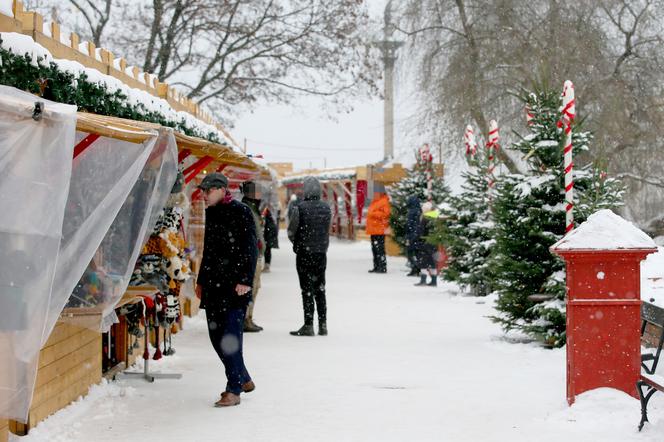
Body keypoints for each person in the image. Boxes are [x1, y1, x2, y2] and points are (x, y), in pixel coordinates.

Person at [195, 173, 257, 407]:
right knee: (215, 336)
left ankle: (233, 389)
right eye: (202, 192)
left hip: (234, 287)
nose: (203, 196)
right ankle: (244, 377)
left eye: (207, 191)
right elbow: (208, 250)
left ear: (221, 189)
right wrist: (201, 280)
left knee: (230, 337)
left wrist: (245, 280)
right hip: (213, 286)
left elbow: (250, 248)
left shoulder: (241, 211)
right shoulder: (211, 212)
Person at [287, 176, 331, 336]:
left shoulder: (300, 207)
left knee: (306, 289)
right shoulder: (326, 208)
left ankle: (308, 324)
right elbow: (327, 229)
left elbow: (292, 230)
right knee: (320, 288)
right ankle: (323, 324)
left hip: (304, 253)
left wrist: (297, 244)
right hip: (321, 253)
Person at [241, 181, 265, 332]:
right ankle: (245, 319)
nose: (260, 194)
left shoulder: (253, 208)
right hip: (251, 254)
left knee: (255, 287)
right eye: (257, 192)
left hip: (255, 253)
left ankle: (249, 317)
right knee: (251, 287)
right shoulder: (247, 209)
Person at [365, 183, 391, 273]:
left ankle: (382, 267)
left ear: (380, 192)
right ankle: (376, 266)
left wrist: (373, 214)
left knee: (379, 249)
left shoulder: (384, 201)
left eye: (375, 192)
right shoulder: (375, 201)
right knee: (375, 249)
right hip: (374, 230)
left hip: (379, 230)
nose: (373, 194)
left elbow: (386, 214)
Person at [414, 201, 439, 287]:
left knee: (423, 262)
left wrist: (417, 239)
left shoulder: (425, 218)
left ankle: (423, 280)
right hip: (433, 243)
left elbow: (420, 232)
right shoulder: (436, 217)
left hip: (424, 243)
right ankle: (434, 281)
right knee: (432, 263)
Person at [405, 195, 422, 277]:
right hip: (419, 234)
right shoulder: (420, 210)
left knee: (410, 252)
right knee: (417, 252)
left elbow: (409, 225)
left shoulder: (411, 212)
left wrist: (407, 235)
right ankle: (418, 268)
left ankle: (414, 268)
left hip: (412, 234)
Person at [262, 204, 279, 273]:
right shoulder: (269, 216)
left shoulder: (266, 215)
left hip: (268, 235)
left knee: (267, 250)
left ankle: (267, 265)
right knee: (267, 250)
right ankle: (267, 265)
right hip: (268, 235)